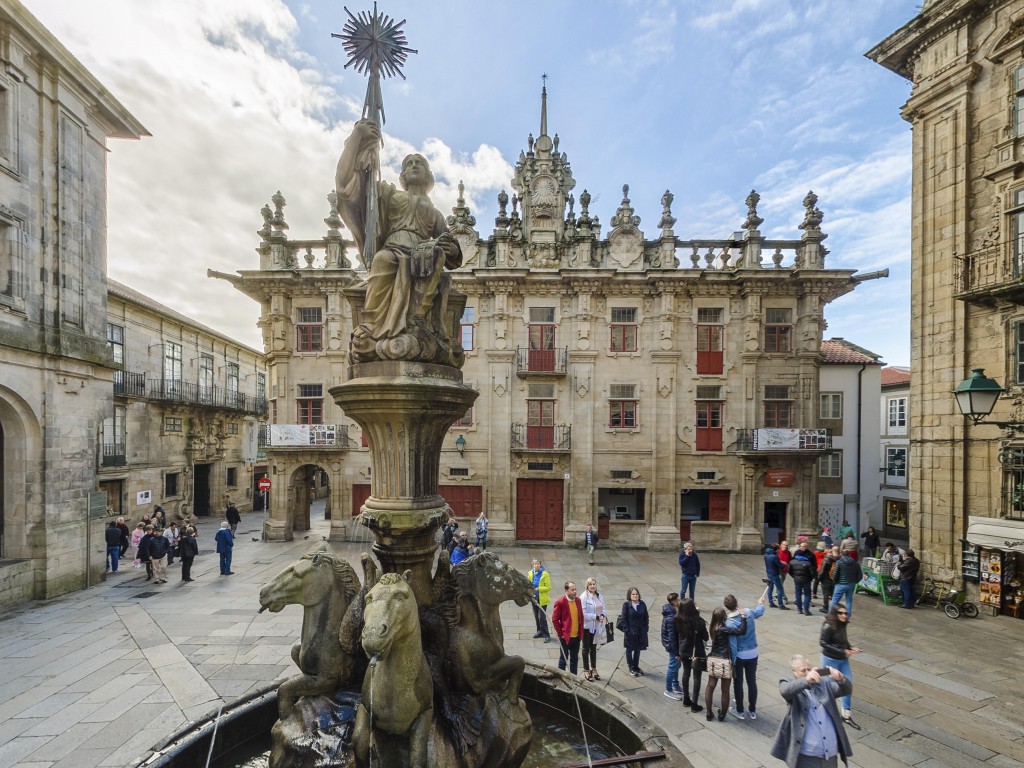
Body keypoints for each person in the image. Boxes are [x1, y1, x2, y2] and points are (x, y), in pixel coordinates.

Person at [335, 119, 463, 364]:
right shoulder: (388, 194)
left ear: (429, 176)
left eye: (419, 163)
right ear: (402, 175)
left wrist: (452, 248)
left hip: (424, 254)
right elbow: (346, 185)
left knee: (435, 257)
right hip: (393, 249)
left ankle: (417, 319)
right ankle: (371, 326)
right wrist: (358, 138)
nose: (414, 166)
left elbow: (450, 246)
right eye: (409, 164)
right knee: (383, 259)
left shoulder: (434, 212)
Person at [770, 654, 854, 768]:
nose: (807, 672)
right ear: (794, 671)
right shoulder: (791, 685)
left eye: (809, 669)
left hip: (830, 754)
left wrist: (841, 679)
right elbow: (785, 690)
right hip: (807, 756)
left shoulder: (824, 684)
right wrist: (807, 680)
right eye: (803, 671)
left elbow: (846, 690)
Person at [725, 593, 767, 720]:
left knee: (738, 683)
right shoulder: (748, 612)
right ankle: (752, 710)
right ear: (737, 602)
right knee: (751, 681)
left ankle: (740, 710)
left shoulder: (729, 622)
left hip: (740, 654)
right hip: (753, 651)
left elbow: (733, 644)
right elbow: (758, 612)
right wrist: (761, 603)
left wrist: (732, 660)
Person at [820, 604, 861, 728]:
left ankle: (846, 715)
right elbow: (823, 643)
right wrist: (843, 651)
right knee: (828, 688)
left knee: (848, 685)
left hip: (843, 660)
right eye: (841, 613)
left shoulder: (843, 623)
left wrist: (850, 648)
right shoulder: (828, 625)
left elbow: (843, 640)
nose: (844, 615)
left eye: (845, 613)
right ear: (835, 614)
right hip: (829, 661)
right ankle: (825, 714)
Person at [704, 607, 745, 722]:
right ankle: (722, 715)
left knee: (710, 686)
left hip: (713, 659)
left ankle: (708, 713)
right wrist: (743, 618)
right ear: (723, 617)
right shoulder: (723, 629)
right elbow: (741, 631)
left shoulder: (712, 628)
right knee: (725, 690)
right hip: (724, 660)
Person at [676, 598, 707, 712]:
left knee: (686, 672)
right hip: (697, 651)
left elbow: (676, 636)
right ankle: (694, 704)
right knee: (697, 677)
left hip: (684, 650)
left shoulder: (678, 619)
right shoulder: (698, 621)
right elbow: (706, 637)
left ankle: (686, 699)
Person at [552, 581, 584, 675]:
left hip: (576, 637)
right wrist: (560, 634)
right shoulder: (560, 602)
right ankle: (560, 677)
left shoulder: (578, 600)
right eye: (572, 590)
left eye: (575, 589)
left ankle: (574, 679)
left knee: (574, 660)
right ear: (567, 591)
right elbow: (554, 619)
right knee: (563, 660)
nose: (575, 591)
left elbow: (580, 616)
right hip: (565, 637)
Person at [580, 577, 607, 681]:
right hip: (587, 627)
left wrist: (602, 615)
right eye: (590, 584)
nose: (592, 586)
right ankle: (586, 670)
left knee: (594, 648)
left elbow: (603, 608)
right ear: (587, 586)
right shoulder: (584, 597)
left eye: (594, 584)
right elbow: (583, 614)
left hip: (597, 627)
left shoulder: (599, 595)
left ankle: (593, 668)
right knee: (585, 649)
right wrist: (595, 617)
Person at [619, 586, 650, 677]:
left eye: (636, 594)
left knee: (638, 649)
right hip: (630, 631)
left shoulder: (642, 604)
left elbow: (646, 617)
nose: (635, 596)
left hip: (640, 631)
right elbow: (623, 619)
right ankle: (631, 667)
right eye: (633, 594)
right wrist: (627, 631)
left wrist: (645, 628)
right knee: (629, 649)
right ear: (630, 595)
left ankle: (636, 666)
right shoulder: (626, 605)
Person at [829, 541, 862, 618]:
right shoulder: (855, 563)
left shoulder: (839, 562)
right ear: (849, 555)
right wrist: (855, 581)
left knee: (835, 600)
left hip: (840, 584)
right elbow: (860, 575)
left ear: (841, 554)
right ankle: (847, 617)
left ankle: (831, 615)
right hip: (851, 584)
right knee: (849, 601)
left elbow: (835, 574)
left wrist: (835, 582)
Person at [661, 592, 684, 699]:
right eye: (678, 599)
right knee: (672, 666)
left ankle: (675, 684)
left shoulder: (674, 611)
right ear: (674, 602)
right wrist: (677, 652)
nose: (680, 600)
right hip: (672, 646)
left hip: (674, 644)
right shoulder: (671, 617)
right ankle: (668, 689)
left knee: (676, 666)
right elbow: (672, 637)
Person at [527, 558, 552, 643]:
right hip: (534, 598)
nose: (536, 565)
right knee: (536, 616)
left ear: (540, 564)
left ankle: (546, 635)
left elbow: (548, 587)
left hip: (542, 599)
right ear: (532, 565)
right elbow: (528, 584)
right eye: (535, 564)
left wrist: (538, 589)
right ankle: (540, 632)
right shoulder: (530, 573)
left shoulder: (545, 574)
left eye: (538, 563)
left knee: (541, 617)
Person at [789, 541, 816, 615]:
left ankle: (799, 609)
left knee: (798, 594)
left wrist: (794, 576)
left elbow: (790, 571)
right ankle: (806, 610)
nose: (802, 548)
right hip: (806, 580)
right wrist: (810, 579)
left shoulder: (792, 562)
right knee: (807, 594)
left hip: (797, 580)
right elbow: (812, 572)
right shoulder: (808, 563)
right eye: (801, 546)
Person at [765, 544, 790, 609]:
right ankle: (781, 604)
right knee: (780, 589)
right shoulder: (775, 556)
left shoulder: (766, 554)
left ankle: (771, 602)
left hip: (769, 573)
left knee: (770, 588)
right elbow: (780, 566)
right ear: (776, 549)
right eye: (779, 548)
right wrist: (785, 564)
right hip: (775, 574)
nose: (780, 549)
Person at [818, 545, 840, 614]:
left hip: (826, 578)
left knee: (826, 594)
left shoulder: (827, 559)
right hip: (835, 579)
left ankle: (825, 608)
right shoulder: (840, 559)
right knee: (834, 595)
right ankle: (834, 608)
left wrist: (819, 578)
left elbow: (822, 570)